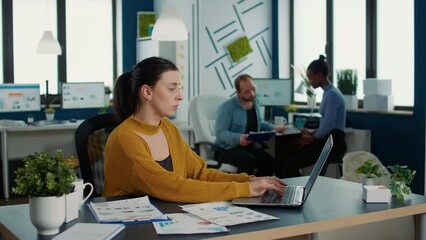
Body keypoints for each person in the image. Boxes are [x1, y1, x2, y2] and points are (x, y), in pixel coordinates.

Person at [102, 57, 285, 203]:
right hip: (129, 225)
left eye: (179, 88)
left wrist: (249, 181)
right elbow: (173, 187)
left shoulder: (167, 127)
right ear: (147, 92)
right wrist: (244, 190)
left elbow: (200, 174)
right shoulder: (125, 138)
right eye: (172, 89)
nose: (180, 96)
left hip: (166, 216)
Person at [276, 55, 347, 178]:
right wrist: (312, 133)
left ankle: (296, 192)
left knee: (289, 164)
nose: (309, 82)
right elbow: (326, 123)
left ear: (319, 76)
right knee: (285, 151)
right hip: (327, 138)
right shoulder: (328, 93)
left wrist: (311, 138)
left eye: (310, 78)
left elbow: (329, 125)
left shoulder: (332, 95)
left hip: (334, 142)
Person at [214, 74, 285, 176]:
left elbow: (258, 122)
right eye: (247, 92)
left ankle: (257, 186)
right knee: (248, 161)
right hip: (226, 149)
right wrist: (239, 138)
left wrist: (273, 128)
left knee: (271, 163)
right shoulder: (227, 108)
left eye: (253, 89)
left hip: (248, 146)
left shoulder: (256, 102)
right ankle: (242, 190)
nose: (252, 94)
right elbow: (221, 132)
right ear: (238, 93)